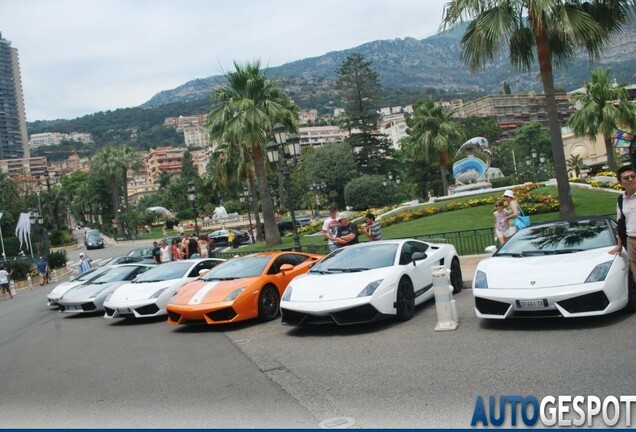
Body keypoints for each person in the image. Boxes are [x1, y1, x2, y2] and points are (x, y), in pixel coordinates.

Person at [611, 167, 636, 277]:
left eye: (633, 177)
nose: (631, 179)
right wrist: (619, 245)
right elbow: (621, 223)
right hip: (631, 241)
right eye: (626, 178)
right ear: (621, 182)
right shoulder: (621, 200)